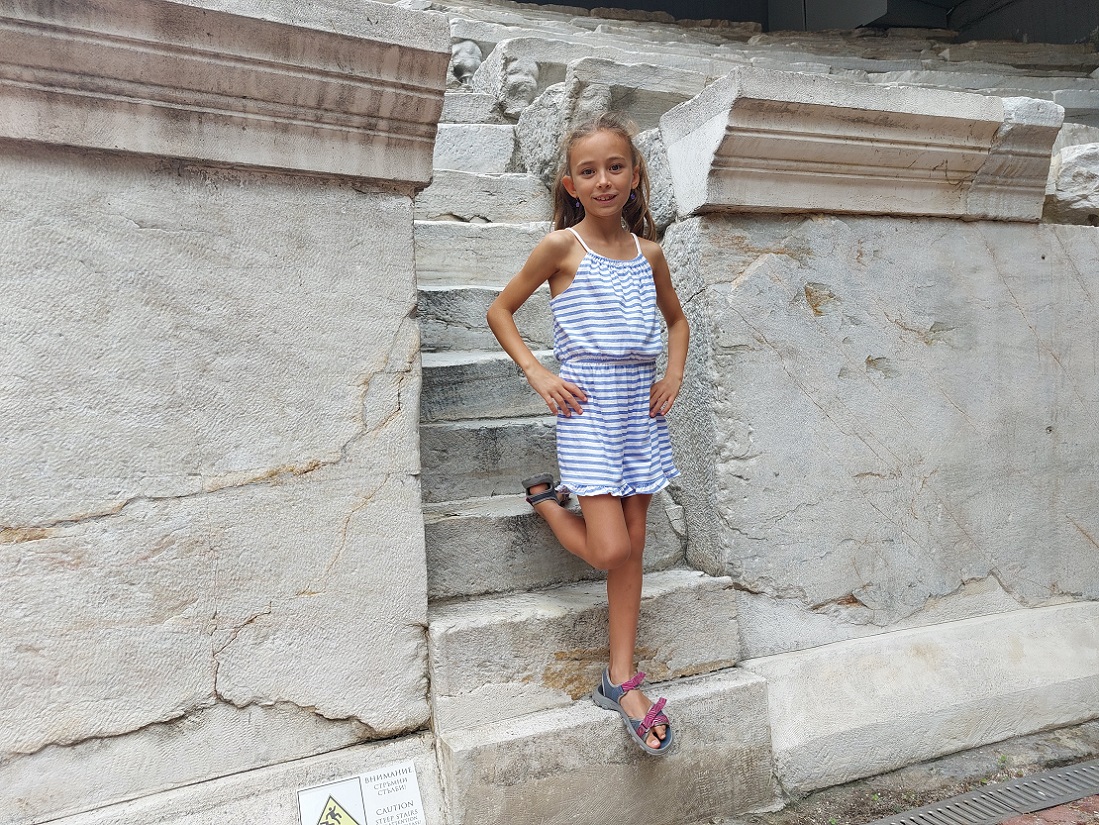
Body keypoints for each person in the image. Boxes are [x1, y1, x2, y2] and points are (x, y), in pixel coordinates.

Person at [486, 112, 689, 755]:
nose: (603, 180)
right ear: (571, 184)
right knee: (609, 551)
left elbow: (677, 323)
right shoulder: (560, 248)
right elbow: (500, 309)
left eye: (615, 167)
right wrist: (537, 372)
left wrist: (673, 375)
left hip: (641, 408)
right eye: (588, 171)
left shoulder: (649, 253)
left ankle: (621, 676)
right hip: (588, 408)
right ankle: (549, 502)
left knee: (635, 543)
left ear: (635, 176)